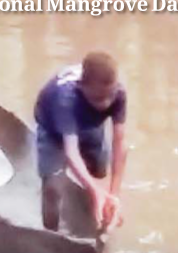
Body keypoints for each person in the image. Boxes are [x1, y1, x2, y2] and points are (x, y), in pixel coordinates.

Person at [34, 51, 127, 232]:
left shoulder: (118, 93)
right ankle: (51, 234)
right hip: (52, 128)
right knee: (53, 187)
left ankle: (98, 208)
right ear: (82, 87)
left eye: (110, 96)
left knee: (100, 171)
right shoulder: (65, 100)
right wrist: (94, 191)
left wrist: (113, 195)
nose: (106, 104)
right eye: (99, 98)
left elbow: (120, 144)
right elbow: (71, 152)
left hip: (89, 122)